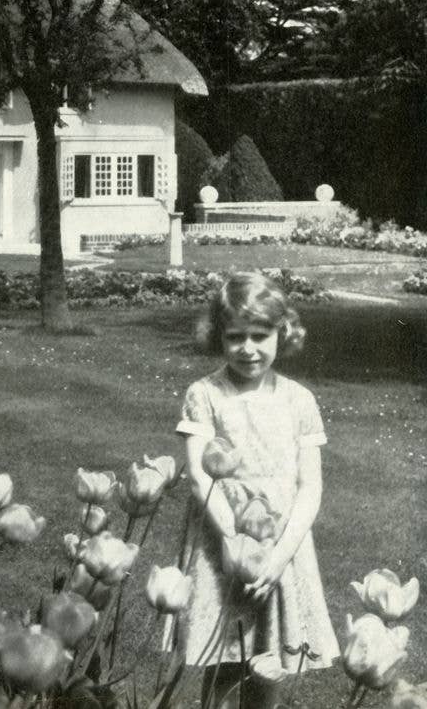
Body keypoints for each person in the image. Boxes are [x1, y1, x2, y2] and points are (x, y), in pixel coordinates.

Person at [172, 272, 339, 709]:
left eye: (260, 336)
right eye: (236, 337)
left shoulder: (298, 400)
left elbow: (310, 486)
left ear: (281, 334)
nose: (248, 348)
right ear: (219, 338)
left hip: (282, 544)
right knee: (222, 658)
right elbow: (198, 473)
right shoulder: (205, 394)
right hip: (221, 539)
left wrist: (281, 555)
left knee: (268, 661)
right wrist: (234, 542)